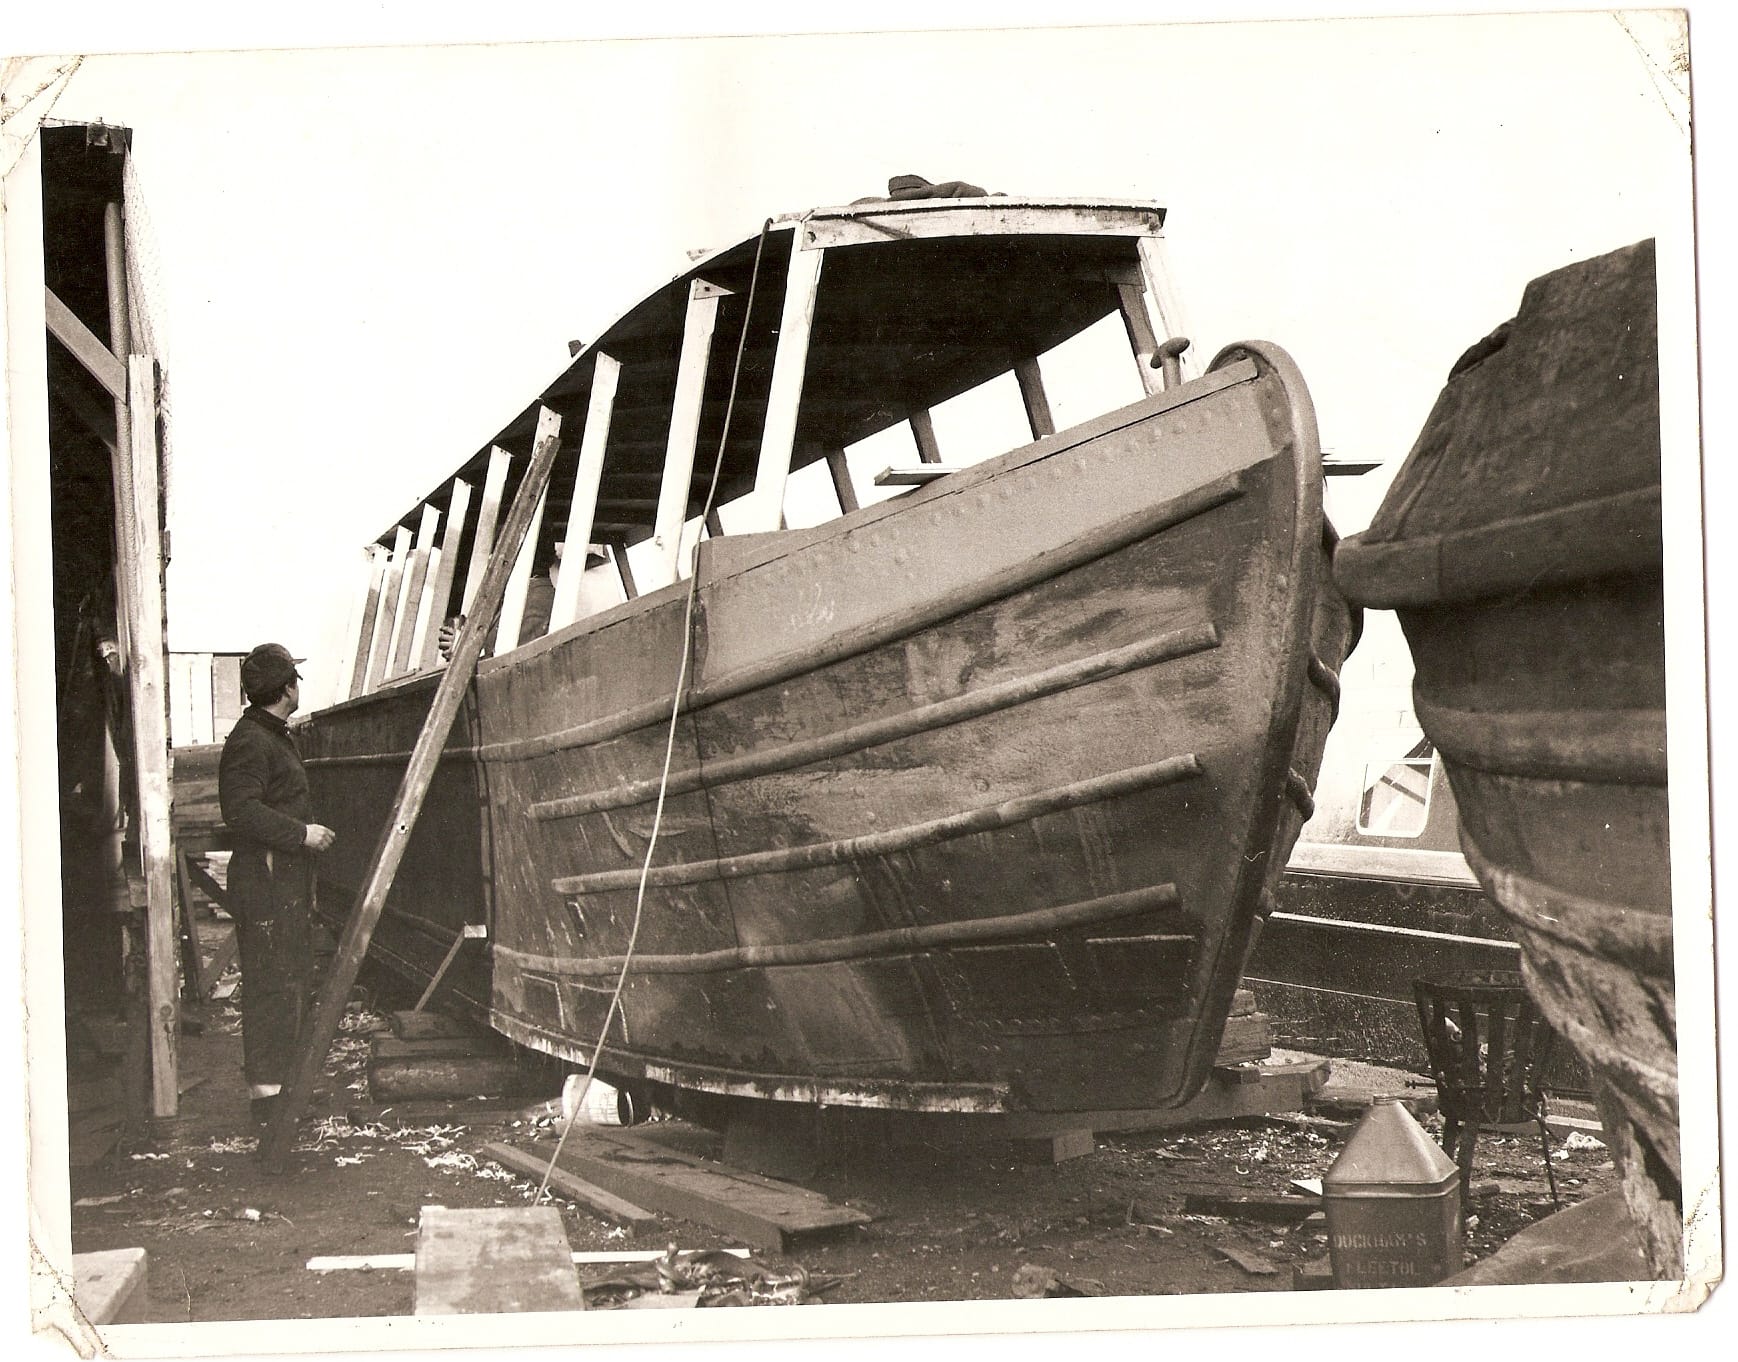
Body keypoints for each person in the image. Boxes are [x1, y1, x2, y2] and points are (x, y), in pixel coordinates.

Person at [217, 643, 336, 1127]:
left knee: (285, 981)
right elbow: (240, 811)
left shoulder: (268, 734)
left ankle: (281, 1090)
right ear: (287, 688)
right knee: (269, 985)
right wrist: (301, 834)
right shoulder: (252, 740)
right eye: (295, 681)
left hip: (279, 880)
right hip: (265, 882)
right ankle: (268, 1100)